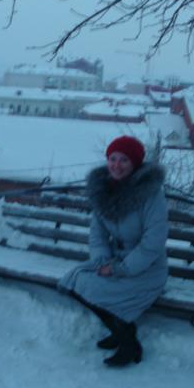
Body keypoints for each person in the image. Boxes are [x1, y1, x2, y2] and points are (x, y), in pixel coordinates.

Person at [58, 135, 169, 367]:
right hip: (114, 261)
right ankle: (122, 331)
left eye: (124, 160)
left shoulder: (151, 194)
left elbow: (153, 242)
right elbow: (97, 234)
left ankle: (128, 342)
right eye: (113, 159)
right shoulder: (103, 191)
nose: (116, 165)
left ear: (135, 164)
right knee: (76, 280)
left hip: (146, 268)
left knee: (95, 287)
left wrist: (121, 269)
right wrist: (102, 261)